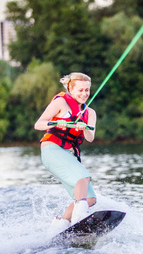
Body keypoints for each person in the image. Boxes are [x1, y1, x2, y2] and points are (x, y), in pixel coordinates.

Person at [34, 72, 97, 234]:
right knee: (83, 177)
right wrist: (56, 121)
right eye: (80, 90)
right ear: (70, 89)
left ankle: (59, 226)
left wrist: (84, 129)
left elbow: (90, 138)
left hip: (68, 154)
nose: (84, 94)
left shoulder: (90, 113)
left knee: (90, 198)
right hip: (51, 150)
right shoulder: (61, 102)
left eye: (87, 90)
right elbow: (38, 124)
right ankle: (79, 220)